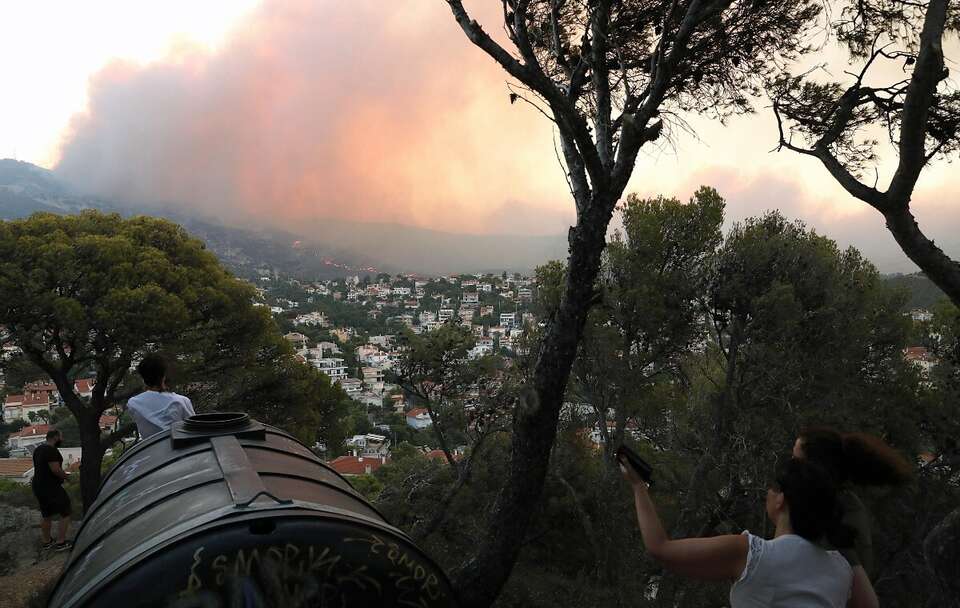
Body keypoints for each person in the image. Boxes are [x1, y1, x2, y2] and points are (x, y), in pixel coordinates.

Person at [620, 455, 879, 607]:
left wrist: (638, 488)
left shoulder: (752, 555)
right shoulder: (841, 571)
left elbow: (659, 548)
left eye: (771, 487)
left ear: (781, 499)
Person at [793, 426, 913, 575]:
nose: (790, 467)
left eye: (797, 462)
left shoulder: (838, 514)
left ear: (817, 468)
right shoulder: (830, 504)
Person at [126, 354, 196, 439]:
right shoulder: (182, 401)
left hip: (151, 450)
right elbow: (194, 430)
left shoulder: (133, 403)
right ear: (163, 376)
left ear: (143, 378)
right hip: (180, 450)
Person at [31, 429, 72, 551]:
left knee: (46, 514)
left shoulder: (38, 449)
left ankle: (46, 542)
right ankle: (61, 542)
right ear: (55, 437)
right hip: (50, 487)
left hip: (38, 485)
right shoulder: (51, 450)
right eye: (61, 437)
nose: (62, 439)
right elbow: (55, 469)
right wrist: (67, 477)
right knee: (66, 511)